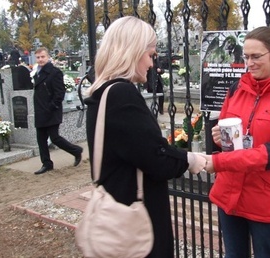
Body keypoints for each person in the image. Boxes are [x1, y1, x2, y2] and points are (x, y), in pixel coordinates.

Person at [84, 16, 207, 258]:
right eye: (150, 55)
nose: (152, 64)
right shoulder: (121, 94)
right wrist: (190, 160)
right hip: (135, 213)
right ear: (131, 52)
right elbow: (156, 158)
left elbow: (136, 148)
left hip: (116, 203)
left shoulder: (102, 92)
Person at [200, 26, 270, 257]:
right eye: (246, 56)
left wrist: (219, 162)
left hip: (264, 197)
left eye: (256, 56)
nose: (249, 63)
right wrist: (220, 140)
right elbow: (230, 138)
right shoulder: (237, 89)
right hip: (230, 192)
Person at [32, 47, 83, 175]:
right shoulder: (37, 72)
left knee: (54, 138)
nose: (40, 59)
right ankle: (47, 163)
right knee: (41, 139)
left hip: (50, 111)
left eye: (43, 57)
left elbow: (59, 93)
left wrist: (51, 106)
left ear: (48, 57)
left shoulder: (54, 72)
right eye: (38, 57)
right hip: (40, 111)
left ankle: (76, 151)